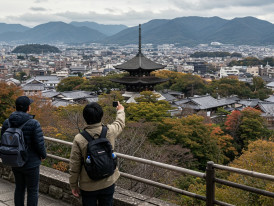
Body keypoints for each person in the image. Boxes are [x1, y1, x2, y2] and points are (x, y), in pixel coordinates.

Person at [69, 101, 125, 206]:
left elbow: (74, 165)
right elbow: (120, 123)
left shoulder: (79, 138)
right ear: (101, 115)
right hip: (108, 181)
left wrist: (73, 185)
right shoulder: (110, 131)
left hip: (88, 185)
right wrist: (120, 110)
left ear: (84, 117)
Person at [0, 96, 47, 206]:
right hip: (31, 162)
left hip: (14, 160)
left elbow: (3, 140)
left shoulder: (7, 122)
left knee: (19, 188)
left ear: (15, 107)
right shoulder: (34, 123)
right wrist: (43, 155)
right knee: (32, 190)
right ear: (28, 108)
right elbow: (39, 144)